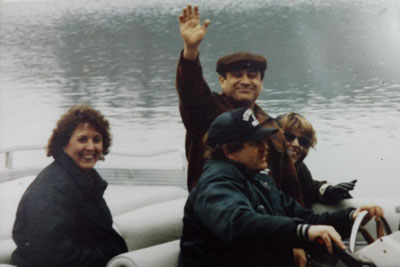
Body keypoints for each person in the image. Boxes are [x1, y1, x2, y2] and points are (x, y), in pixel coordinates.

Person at [179, 107, 383, 267]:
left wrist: (351, 217)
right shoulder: (216, 184)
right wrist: (303, 231)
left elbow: (306, 217)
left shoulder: (260, 180)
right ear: (229, 151)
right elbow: (238, 224)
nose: (266, 147)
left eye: (265, 141)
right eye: (256, 143)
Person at [176, 5, 303, 207]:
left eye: (252, 76)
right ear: (221, 81)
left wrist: (299, 226)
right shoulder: (206, 111)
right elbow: (191, 90)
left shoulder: (271, 127)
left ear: (261, 83)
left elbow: (290, 186)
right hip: (221, 218)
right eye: (236, 75)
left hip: (269, 221)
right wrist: (190, 51)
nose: (245, 81)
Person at [11, 105, 128, 267]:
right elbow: (51, 254)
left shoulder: (84, 181)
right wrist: (108, 258)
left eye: (96, 139)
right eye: (82, 139)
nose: (91, 147)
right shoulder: (51, 191)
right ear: (64, 144)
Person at [276, 112, 357, 209]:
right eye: (288, 137)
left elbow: (310, 187)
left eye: (303, 142)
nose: (296, 144)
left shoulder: (300, 169)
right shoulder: (261, 171)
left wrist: (328, 190)